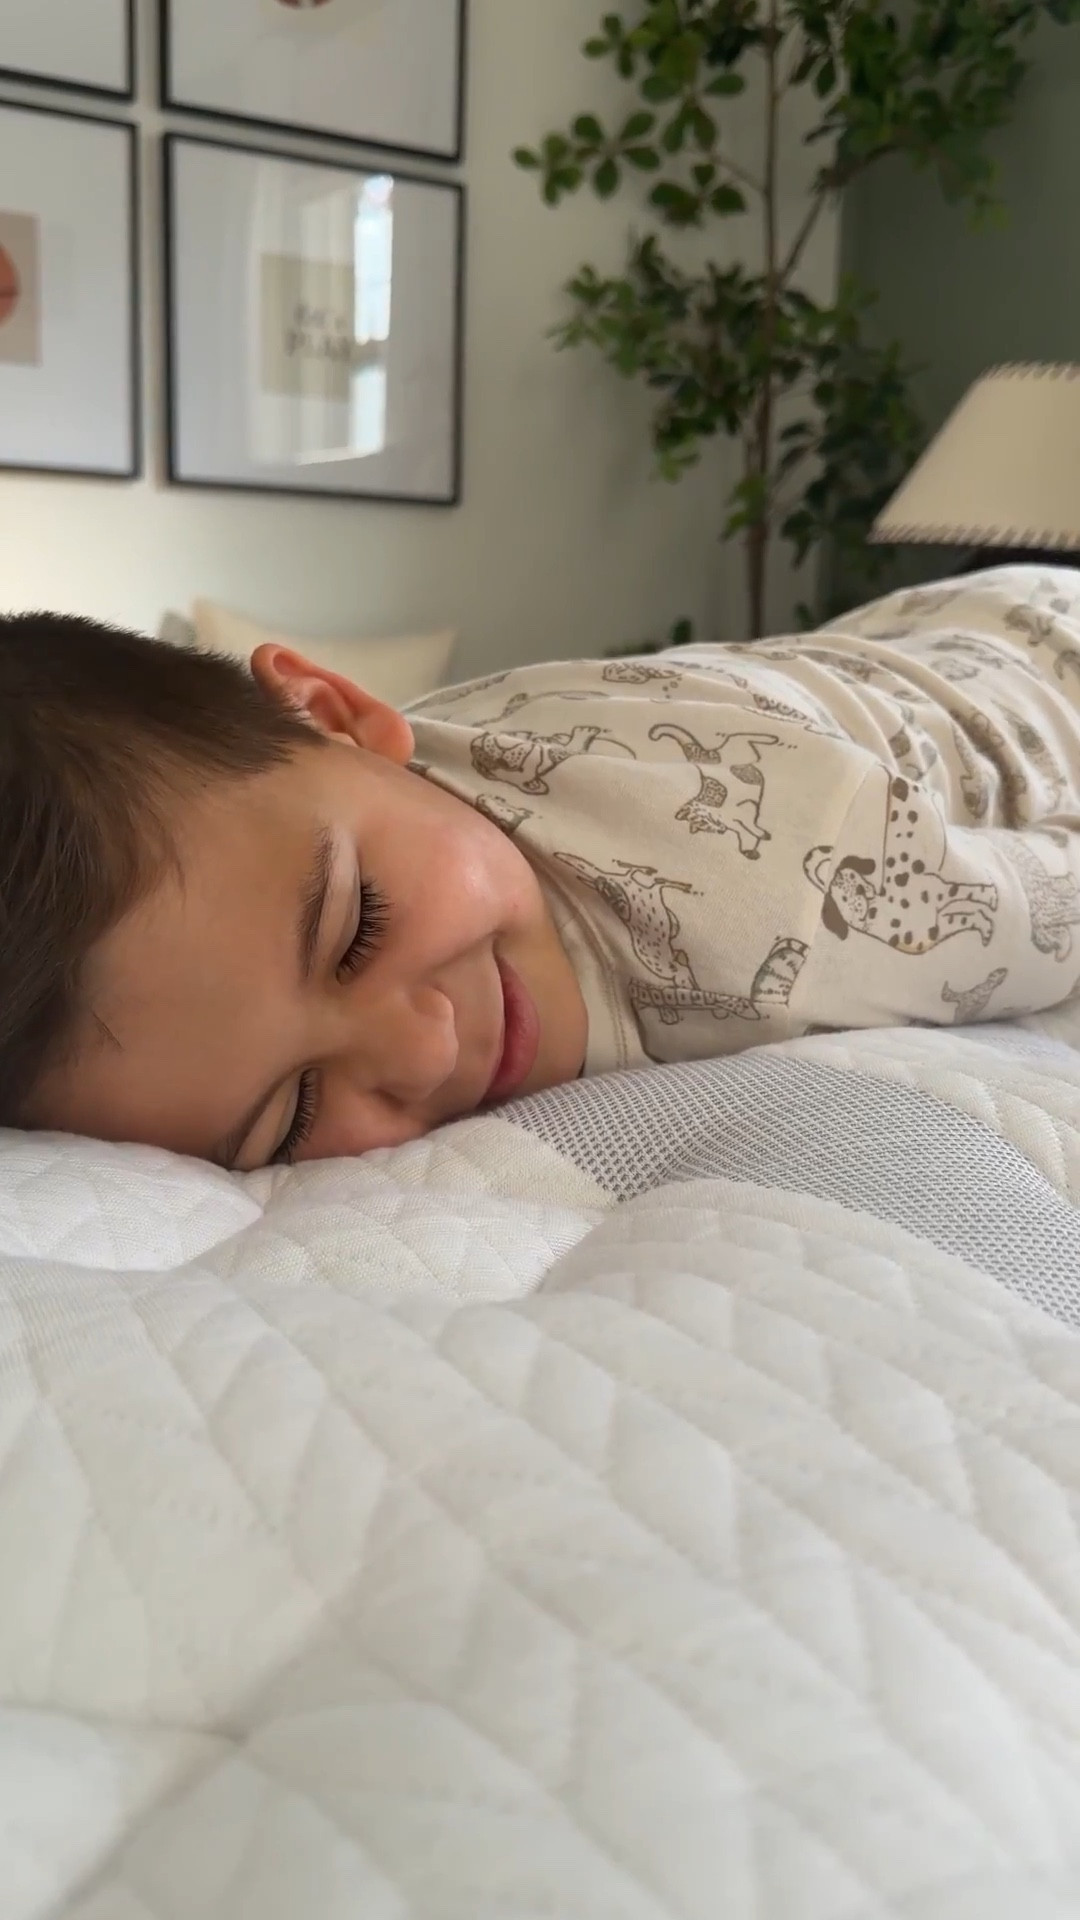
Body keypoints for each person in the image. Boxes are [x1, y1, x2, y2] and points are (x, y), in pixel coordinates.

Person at [3, 566, 1080, 1172]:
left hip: (1038, 655)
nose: (422, 1051)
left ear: (336, 713)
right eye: (291, 1116)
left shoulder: (776, 904)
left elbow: (1050, 904)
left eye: (360, 927)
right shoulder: (335, 803)